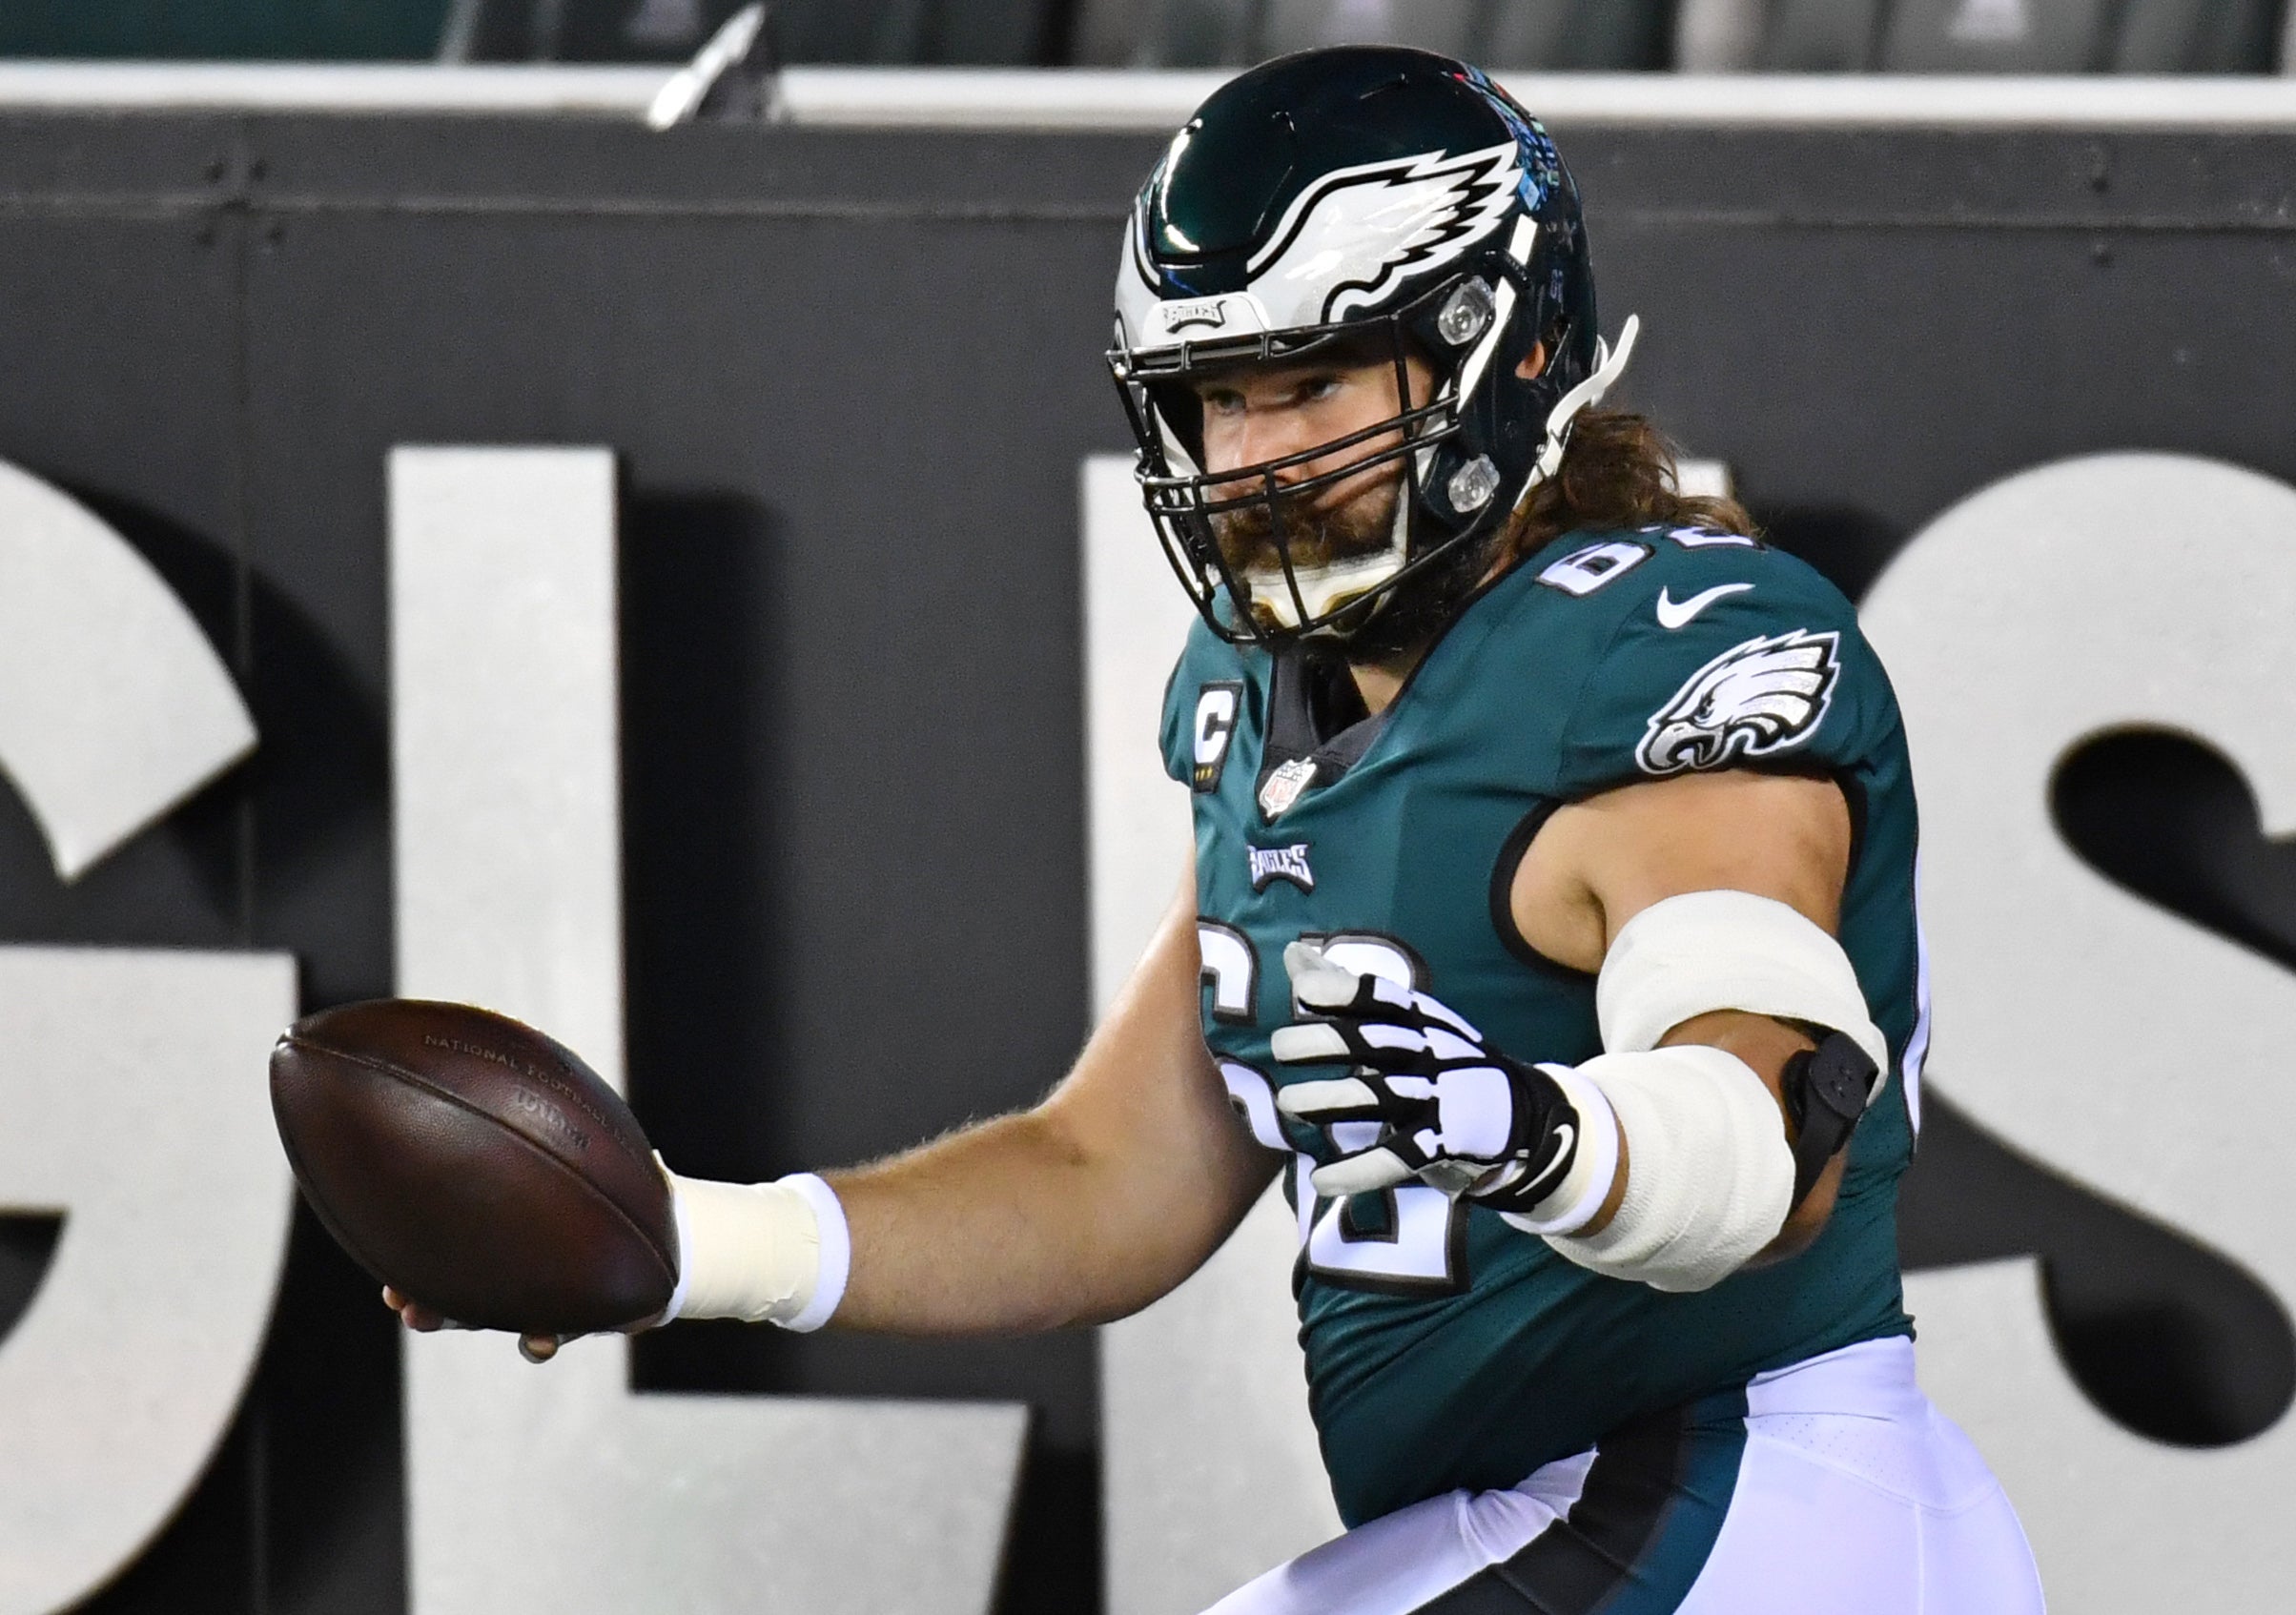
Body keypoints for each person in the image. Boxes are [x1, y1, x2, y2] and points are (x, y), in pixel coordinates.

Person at [392, 45, 2044, 1612]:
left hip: (1752, 1503)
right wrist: (685, 1241)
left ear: (1502, 345)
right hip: (1566, 1523)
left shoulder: (1650, 645)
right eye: (1215, 401)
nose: (1249, 461)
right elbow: (1109, 1173)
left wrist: (1549, 1136)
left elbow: (1774, 1117)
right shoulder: (1277, 704)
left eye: (1308, 383)